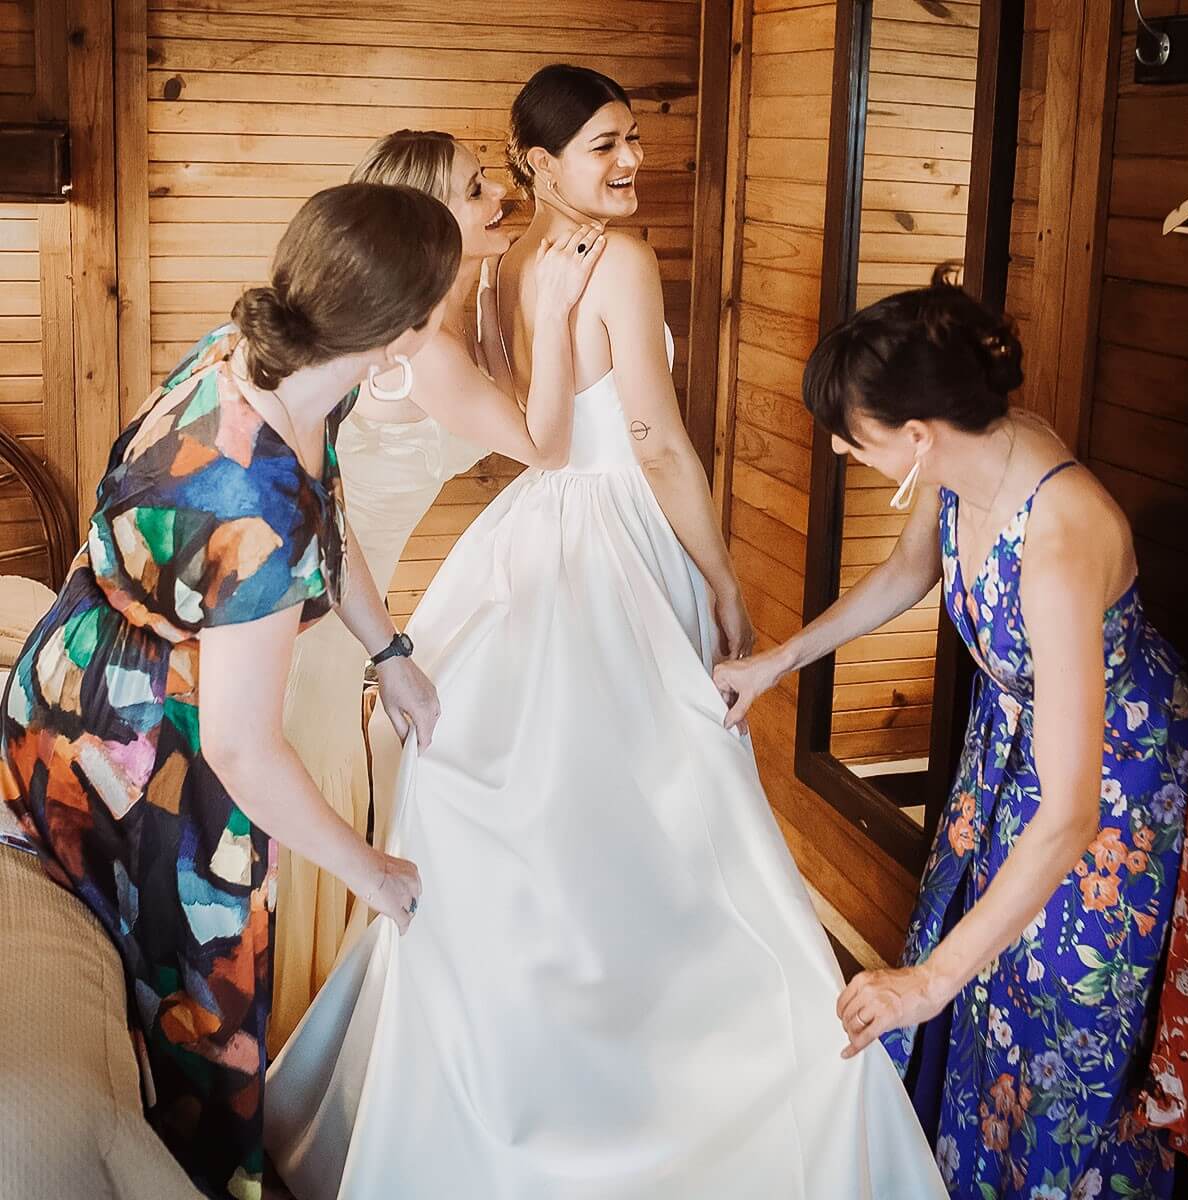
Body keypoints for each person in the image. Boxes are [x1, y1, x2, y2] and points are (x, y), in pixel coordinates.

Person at [265, 64, 945, 1200]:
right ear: (540, 164)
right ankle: (676, 1083)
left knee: (570, 817)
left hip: (527, 532)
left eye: (635, 138)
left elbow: (520, 419)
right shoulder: (615, 260)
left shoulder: (499, 265)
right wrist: (721, 579)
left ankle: (537, 1070)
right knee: (658, 813)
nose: (632, 162)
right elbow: (655, 442)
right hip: (611, 532)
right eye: (605, 145)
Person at [0, 181, 461, 1200]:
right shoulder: (255, 503)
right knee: (209, 1005)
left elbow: (327, 511)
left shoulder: (258, 355)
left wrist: (389, 651)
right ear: (401, 331)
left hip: (68, 671)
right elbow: (243, 751)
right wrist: (374, 874)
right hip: (130, 742)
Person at [713, 272, 1188, 1197]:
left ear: (917, 434)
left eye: (854, 436)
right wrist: (777, 662)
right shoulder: (966, 462)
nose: (842, 448)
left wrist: (926, 981)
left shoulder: (1059, 539)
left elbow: (1071, 814)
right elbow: (909, 574)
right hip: (1011, 747)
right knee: (983, 981)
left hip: (1111, 789)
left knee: (1055, 1020)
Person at [270, 129, 605, 1053]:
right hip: (323, 630)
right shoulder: (422, 356)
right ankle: (292, 1036)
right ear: (425, 220)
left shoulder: (429, 328)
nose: (499, 197)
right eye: (475, 189)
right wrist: (558, 311)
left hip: (342, 603)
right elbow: (545, 445)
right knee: (314, 812)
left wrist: (500, 301)